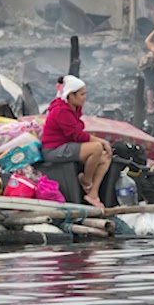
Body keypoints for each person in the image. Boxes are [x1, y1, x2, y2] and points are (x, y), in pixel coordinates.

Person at [41, 75, 112, 208]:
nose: (84, 97)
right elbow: (77, 135)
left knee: (105, 158)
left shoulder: (73, 109)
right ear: (71, 96)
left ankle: (93, 194)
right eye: (82, 94)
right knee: (96, 148)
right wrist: (102, 142)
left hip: (67, 146)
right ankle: (86, 181)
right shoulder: (61, 111)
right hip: (54, 150)